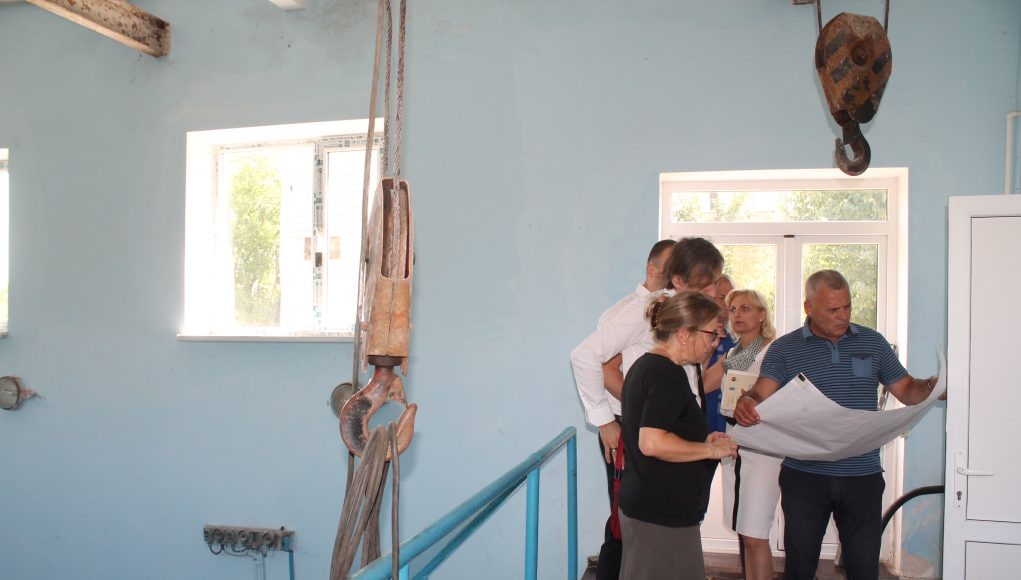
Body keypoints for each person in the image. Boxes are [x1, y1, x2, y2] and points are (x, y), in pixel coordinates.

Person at [733, 270, 938, 580]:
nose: (843, 316)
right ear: (809, 307)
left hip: (862, 476)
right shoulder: (786, 348)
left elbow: (908, 390)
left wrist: (933, 386)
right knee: (800, 567)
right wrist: (747, 402)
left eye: (847, 306)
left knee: (863, 568)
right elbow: (761, 393)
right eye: (833, 309)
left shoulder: (873, 342)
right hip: (805, 476)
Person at [570, 236, 724, 579]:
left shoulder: (687, 315)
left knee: (652, 544)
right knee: (629, 533)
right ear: (678, 280)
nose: (714, 291)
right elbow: (586, 356)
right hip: (644, 437)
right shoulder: (649, 312)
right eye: (706, 284)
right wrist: (605, 421)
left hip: (664, 434)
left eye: (716, 282)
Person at [570, 239, 674, 580]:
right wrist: (607, 421)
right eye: (673, 269)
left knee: (638, 521)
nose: (678, 277)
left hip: (642, 423)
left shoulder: (665, 308)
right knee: (628, 522)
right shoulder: (638, 311)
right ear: (652, 269)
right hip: (631, 425)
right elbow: (598, 364)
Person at [618, 291, 738, 580]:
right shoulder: (666, 373)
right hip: (661, 513)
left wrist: (700, 442)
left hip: (651, 505)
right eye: (711, 333)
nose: (715, 342)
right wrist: (710, 451)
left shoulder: (647, 365)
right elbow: (652, 442)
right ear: (684, 334)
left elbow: (664, 429)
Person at [703, 288, 779, 580]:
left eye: (746, 309)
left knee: (756, 534)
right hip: (734, 443)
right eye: (733, 309)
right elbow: (703, 384)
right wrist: (709, 345)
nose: (737, 315)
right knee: (744, 532)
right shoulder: (733, 354)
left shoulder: (773, 351)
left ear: (761, 314)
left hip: (762, 447)